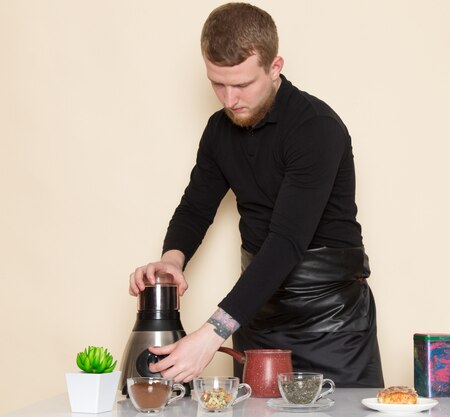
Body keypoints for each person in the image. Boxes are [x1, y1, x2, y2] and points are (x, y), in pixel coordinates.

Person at [129, 2, 384, 388]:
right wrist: (171, 260)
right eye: (217, 83)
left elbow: (286, 242)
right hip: (256, 312)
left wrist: (212, 333)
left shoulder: (316, 128)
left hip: (333, 323)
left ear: (275, 66)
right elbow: (196, 207)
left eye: (243, 85)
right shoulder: (219, 130)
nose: (229, 99)